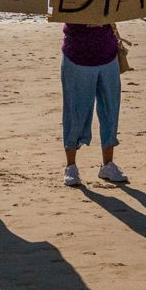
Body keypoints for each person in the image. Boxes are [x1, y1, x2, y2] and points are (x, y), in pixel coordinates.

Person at [59, 17, 129, 188]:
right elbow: (56, 8)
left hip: (107, 53)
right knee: (75, 112)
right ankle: (71, 166)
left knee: (111, 111)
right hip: (77, 53)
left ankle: (108, 164)